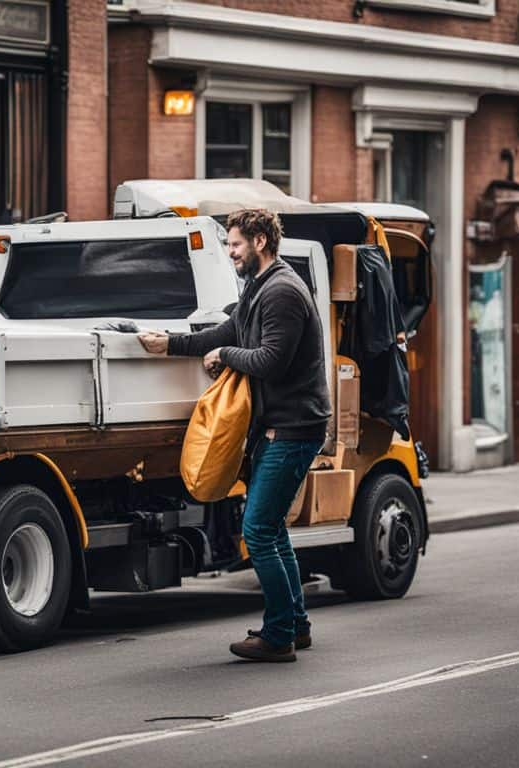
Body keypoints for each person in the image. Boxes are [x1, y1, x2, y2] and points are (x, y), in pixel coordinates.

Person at [138, 208, 331, 663]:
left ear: (261, 241)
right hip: (279, 426)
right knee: (271, 529)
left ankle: (279, 635)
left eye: (236, 245)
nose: (231, 253)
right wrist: (171, 344)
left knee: (259, 531)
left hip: (294, 427)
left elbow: (269, 360)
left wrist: (224, 353)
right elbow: (229, 330)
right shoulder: (260, 288)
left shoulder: (282, 291)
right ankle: (294, 625)